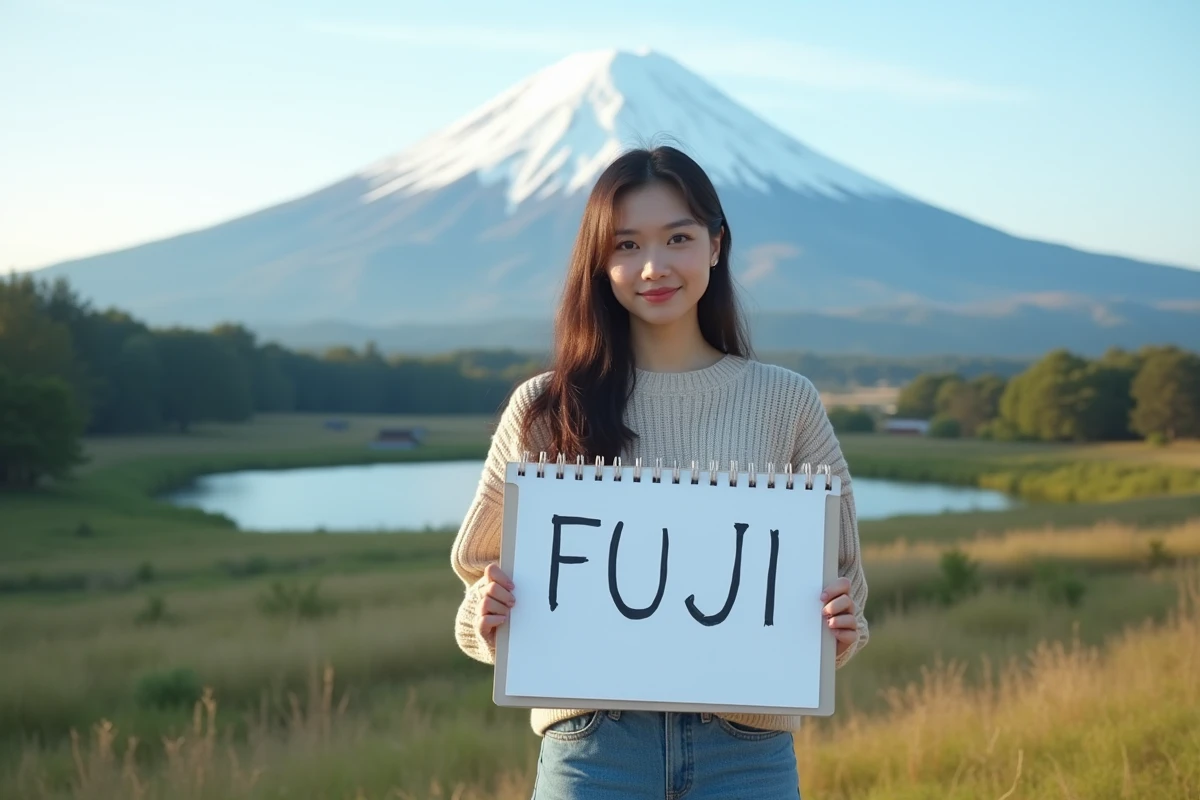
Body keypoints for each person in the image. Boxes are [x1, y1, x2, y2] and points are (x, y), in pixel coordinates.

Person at [450, 145, 868, 799]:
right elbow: (478, 587)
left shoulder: (786, 401)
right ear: (600, 261)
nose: (654, 266)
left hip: (746, 752)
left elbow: (842, 583)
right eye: (626, 245)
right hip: (594, 746)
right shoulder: (544, 407)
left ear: (716, 244)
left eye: (678, 237)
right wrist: (489, 612)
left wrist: (837, 626)